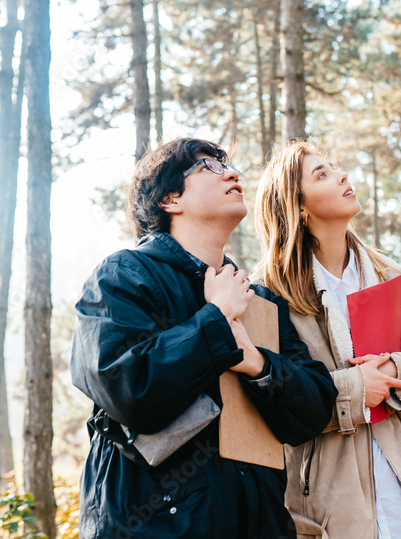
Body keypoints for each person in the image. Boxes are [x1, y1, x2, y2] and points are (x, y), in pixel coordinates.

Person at [70, 138, 338, 539]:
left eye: (228, 166)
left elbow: (314, 410)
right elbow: (126, 388)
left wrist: (258, 364)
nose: (231, 173)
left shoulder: (259, 299)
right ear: (170, 199)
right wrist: (215, 319)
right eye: (207, 168)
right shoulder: (123, 276)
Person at [252, 139, 401, 539]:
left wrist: (392, 370)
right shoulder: (269, 289)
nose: (342, 175)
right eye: (322, 174)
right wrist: (355, 388)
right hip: (329, 505)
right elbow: (275, 401)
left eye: (334, 167)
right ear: (297, 206)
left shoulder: (385, 274)